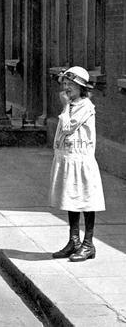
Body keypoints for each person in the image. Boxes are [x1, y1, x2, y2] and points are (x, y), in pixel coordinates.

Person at [49, 66, 105, 261]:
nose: (66, 88)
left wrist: (64, 106)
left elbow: (68, 126)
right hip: (69, 159)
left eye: (71, 84)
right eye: (65, 84)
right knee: (71, 198)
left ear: (82, 87)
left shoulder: (85, 105)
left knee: (86, 200)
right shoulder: (73, 104)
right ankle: (74, 241)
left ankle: (88, 244)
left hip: (81, 160)